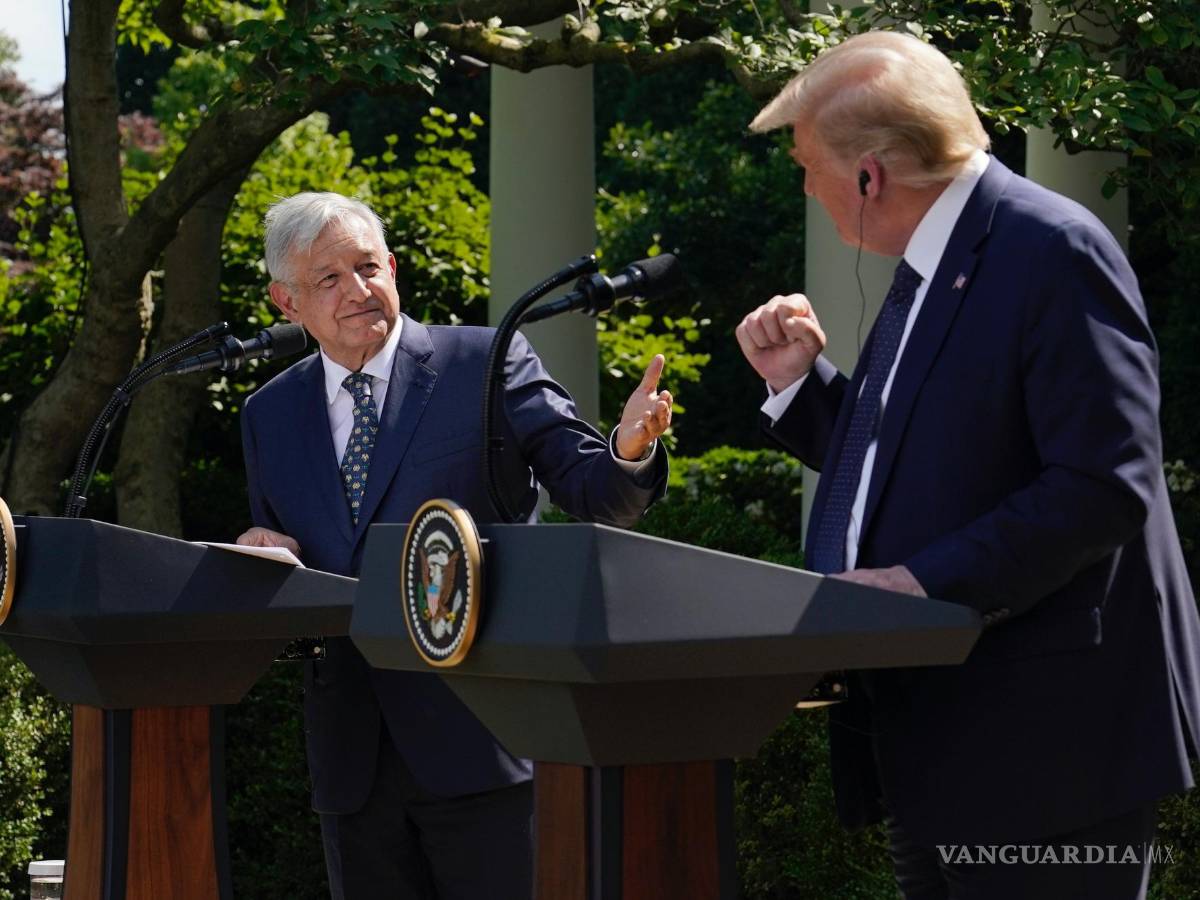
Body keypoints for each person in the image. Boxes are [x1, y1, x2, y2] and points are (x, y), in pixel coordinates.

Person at [736, 31, 1200, 900]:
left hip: (1050, 749)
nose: (804, 185)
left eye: (807, 164)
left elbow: (1104, 486)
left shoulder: (1052, 248)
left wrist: (920, 583)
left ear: (871, 174)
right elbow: (925, 457)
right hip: (942, 733)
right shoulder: (932, 261)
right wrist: (801, 388)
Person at [237, 192, 671, 899]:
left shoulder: (482, 362)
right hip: (352, 760)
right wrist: (259, 554)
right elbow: (292, 560)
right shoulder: (269, 414)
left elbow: (595, 492)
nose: (358, 290)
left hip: (485, 740)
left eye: (368, 266)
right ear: (286, 303)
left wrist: (627, 448)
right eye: (329, 279)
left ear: (395, 268)